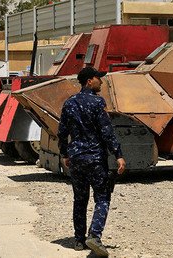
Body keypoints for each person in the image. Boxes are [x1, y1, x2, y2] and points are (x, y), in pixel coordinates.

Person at [58, 66, 126, 257]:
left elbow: (62, 132)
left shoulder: (69, 103)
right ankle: (94, 236)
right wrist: (118, 154)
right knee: (102, 198)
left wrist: (64, 154)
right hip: (95, 158)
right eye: (98, 79)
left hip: (76, 158)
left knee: (80, 199)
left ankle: (79, 240)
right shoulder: (97, 102)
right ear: (89, 81)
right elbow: (106, 131)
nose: (101, 82)